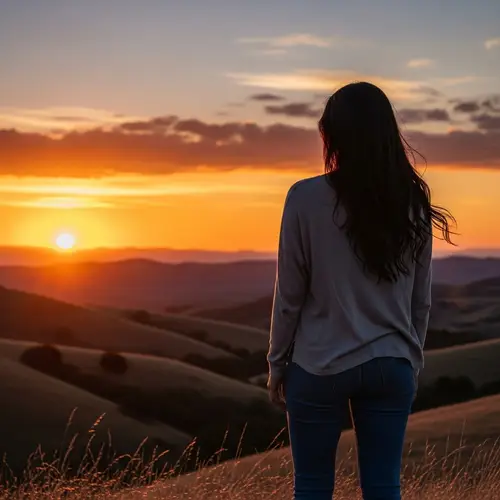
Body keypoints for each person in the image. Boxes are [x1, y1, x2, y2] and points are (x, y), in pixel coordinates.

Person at [267, 82, 454, 500]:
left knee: (313, 486)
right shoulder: (412, 202)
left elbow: (290, 295)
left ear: (333, 135)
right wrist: (411, 357)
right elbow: (420, 299)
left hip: (319, 365)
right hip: (392, 363)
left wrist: (277, 362)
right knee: (384, 485)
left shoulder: (304, 197)